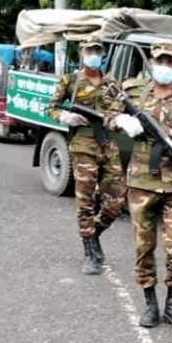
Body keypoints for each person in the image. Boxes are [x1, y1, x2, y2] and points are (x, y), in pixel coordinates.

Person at [106, 39, 172, 331]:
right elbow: (108, 115)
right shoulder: (133, 91)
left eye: (169, 61)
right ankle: (150, 304)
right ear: (151, 62)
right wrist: (121, 121)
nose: (164, 66)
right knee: (143, 246)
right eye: (159, 60)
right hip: (141, 182)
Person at [47, 40, 125, 275]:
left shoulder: (111, 83)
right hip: (83, 146)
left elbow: (120, 108)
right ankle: (89, 251)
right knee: (85, 201)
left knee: (116, 201)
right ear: (82, 53)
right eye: (90, 51)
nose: (94, 55)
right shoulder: (70, 81)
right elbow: (51, 107)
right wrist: (64, 117)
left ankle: (94, 233)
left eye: (97, 51)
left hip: (107, 145)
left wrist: (119, 119)